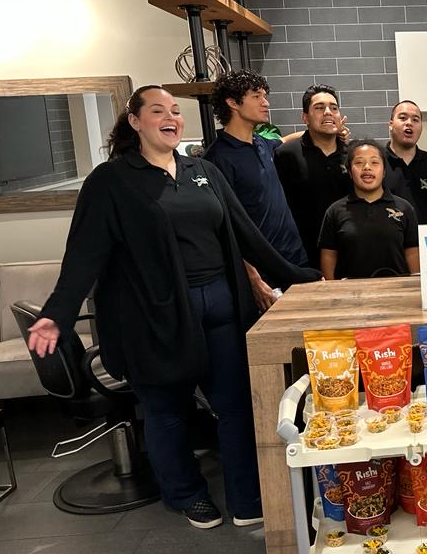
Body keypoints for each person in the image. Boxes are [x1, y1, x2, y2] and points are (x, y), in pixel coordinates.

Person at [26, 86, 320, 529]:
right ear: (135, 121)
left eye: (176, 111)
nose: (171, 117)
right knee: (167, 411)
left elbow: (247, 236)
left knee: (236, 404)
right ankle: (186, 495)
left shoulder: (201, 170)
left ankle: (246, 496)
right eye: (158, 110)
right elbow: (85, 254)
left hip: (220, 306)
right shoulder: (112, 181)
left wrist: (305, 277)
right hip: (155, 316)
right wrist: (57, 313)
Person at [205, 70, 307, 311]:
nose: (266, 102)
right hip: (262, 273)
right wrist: (253, 278)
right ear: (232, 102)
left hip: (294, 259)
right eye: (256, 96)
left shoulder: (262, 143)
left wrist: (327, 130)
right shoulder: (218, 159)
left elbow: (286, 140)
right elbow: (225, 227)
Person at [274, 85, 352, 266]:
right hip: (303, 256)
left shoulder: (353, 155)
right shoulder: (286, 154)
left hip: (349, 252)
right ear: (305, 117)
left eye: (334, 108)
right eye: (319, 108)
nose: (328, 112)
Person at [319, 139, 420, 279]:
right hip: (350, 294)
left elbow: (412, 252)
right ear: (349, 171)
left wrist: (414, 284)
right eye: (359, 162)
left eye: (374, 162)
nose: (367, 167)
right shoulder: (335, 211)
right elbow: (329, 255)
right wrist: (331, 289)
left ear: (384, 171)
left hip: (396, 292)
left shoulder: (404, 208)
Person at [383, 100, 427, 226]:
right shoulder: (377, 162)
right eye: (403, 118)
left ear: (421, 126)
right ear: (390, 124)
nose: (409, 123)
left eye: (415, 120)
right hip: (390, 243)